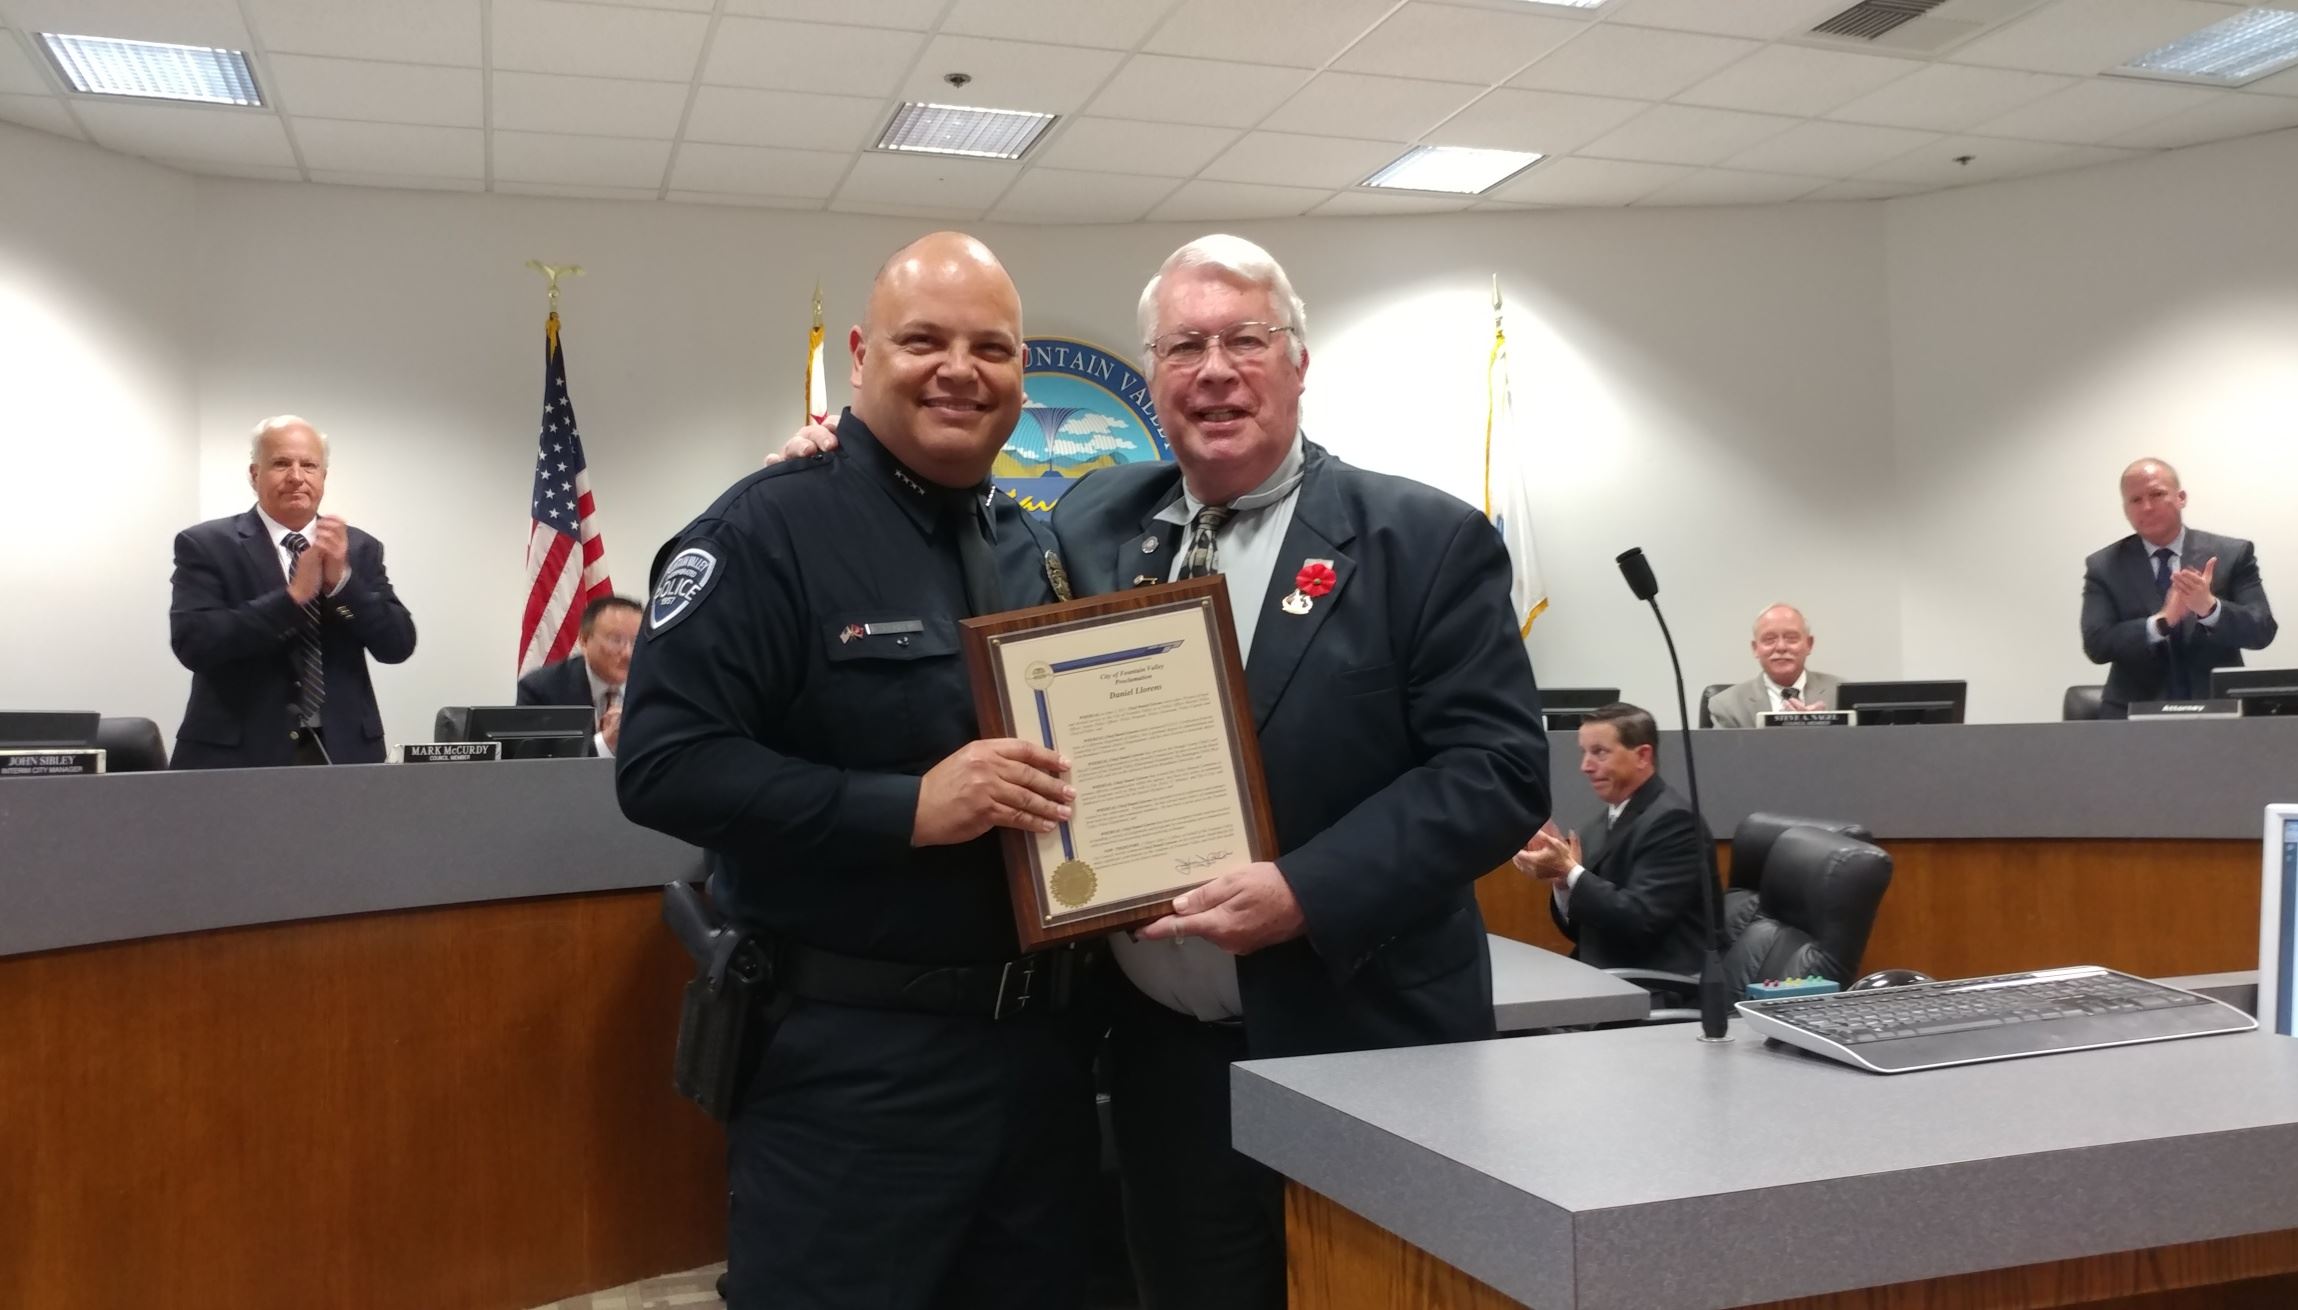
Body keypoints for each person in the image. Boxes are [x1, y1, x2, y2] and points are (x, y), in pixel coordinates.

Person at [771, 233, 1549, 1310]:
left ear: (1298, 361)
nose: (1215, 368)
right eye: (1184, 345)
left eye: (1246, 339)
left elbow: (1500, 770)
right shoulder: (1092, 521)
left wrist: (1303, 892)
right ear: (1153, 375)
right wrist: (839, 464)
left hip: (1367, 1043)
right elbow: (939, 517)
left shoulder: (1422, 540)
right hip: (1162, 1062)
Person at [616, 233, 1099, 1310]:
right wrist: (906, 808)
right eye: (924, 340)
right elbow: (663, 765)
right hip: (855, 1069)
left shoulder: (1041, 549)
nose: (959, 369)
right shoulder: (763, 532)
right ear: (860, 355)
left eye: (993, 346)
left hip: (1044, 1061)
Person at [168, 416, 416, 768]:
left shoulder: (360, 548)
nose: (296, 477)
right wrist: (292, 598)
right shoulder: (206, 545)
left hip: (343, 752)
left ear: (323, 477)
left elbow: (397, 645)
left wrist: (343, 584)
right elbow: (194, 644)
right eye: (281, 463)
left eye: (309, 465)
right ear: (255, 475)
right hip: (237, 756)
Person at [1514, 702, 1713, 977]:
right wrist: (1561, 882)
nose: (1585, 766)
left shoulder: (1676, 823)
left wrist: (1569, 871)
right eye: (1584, 753)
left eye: (1600, 753)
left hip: (1659, 986)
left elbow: (1641, 921)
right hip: (1605, 976)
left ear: (1643, 756)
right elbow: (1583, 930)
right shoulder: (1601, 824)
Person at [2080, 458, 2275, 715]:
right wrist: (2162, 621)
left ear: (2181, 497)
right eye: (2135, 500)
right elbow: (2098, 644)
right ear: (2126, 509)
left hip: (2219, 712)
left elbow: (2262, 631)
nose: (2147, 507)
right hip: (2130, 716)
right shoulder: (2105, 566)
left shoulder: (2232, 554)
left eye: (2157, 494)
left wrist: (2210, 609)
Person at [515, 593, 640, 756]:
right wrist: (605, 744)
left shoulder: (656, 687)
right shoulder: (541, 689)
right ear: (584, 640)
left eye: (637, 641)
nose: (628, 654)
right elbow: (533, 766)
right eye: (616, 640)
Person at [1705, 603, 1844, 727]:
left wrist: (1822, 729)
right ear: (1755, 648)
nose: (1781, 647)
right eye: (1769, 639)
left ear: (1809, 644)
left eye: (1791, 638)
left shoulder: (1840, 693)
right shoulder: (1728, 706)